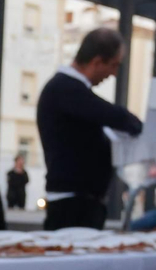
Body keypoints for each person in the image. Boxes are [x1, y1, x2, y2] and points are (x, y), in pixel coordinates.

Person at [36, 28, 144, 229]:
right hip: (72, 206)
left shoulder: (68, 91)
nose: (113, 74)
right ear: (96, 62)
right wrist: (138, 126)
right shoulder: (65, 89)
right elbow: (117, 116)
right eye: (113, 65)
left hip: (79, 202)